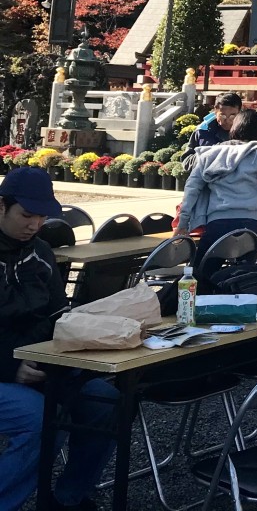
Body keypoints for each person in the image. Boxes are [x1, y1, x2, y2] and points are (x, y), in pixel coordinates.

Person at [0, 167, 117, 511]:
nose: (35, 225)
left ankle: (67, 500)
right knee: (40, 417)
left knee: (108, 401)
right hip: (9, 373)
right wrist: (11, 366)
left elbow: (57, 317)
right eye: (26, 215)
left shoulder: (42, 254)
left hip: (41, 365)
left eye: (41, 216)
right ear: (1, 206)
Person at [175, 109, 257, 280]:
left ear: (234, 129)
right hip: (253, 224)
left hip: (217, 222)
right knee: (243, 278)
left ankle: (200, 304)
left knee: (201, 276)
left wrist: (183, 222)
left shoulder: (209, 155)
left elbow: (191, 189)